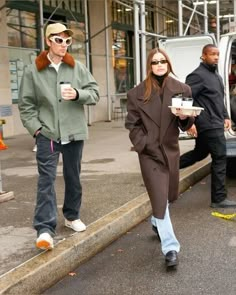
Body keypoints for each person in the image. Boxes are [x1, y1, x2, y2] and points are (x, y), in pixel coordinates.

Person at [18, 23, 99, 250]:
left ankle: (72, 216)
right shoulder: (33, 70)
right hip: (48, 135)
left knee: (73, 177)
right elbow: (26, 105)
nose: (64, 45)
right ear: (48, 41)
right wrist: (36, 129)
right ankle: (44, 229)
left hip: (74, 133)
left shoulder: (77, 67)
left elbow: (95, 93)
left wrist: (77, 94)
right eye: (59, 40)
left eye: (67, 40)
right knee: (46, 181)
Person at [125, 48, 195, 269]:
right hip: (149, 154)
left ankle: (156, 221)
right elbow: (132, 125)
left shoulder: (182, 89)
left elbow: (185, 124)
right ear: (149, 66)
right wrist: (143, 144)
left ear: (168, 63)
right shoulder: (136, 93)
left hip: (170, 151)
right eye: (155, 62)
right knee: (160, 196)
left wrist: (185, 117)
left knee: (166, 197)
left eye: (163, 61)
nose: (159, 65)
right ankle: (170, 248)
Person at [180, 44, 236, 208]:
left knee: (199, 153)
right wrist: (189, 123)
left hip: (216, 123)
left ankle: (167, 166)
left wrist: (225, 116)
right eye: (212, 54)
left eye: (218, 54)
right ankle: (219, 199)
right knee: (220, 157)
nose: (216, 57)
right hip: (207, 124)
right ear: (203, 56)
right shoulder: (197, 76)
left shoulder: (216, 76)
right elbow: (186, 100)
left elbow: (219, 99)